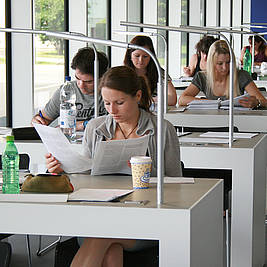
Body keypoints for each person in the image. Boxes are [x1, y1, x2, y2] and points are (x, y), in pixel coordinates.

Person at [46, 66, 182, 267]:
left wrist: (146, 173)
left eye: (119, 103)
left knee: (102, 236)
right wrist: (61, 170)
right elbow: (83, 174)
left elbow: (178, 185)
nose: (112, 110)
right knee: (110, 248)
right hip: (101, 213)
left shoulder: (162, 129)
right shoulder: (95, 128)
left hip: (147, 219)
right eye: (107, 103)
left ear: (137, 96)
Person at [31, 47, 109, 130]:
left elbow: (118, 125)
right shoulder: (67, 91)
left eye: (88, 82)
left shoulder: (111, 92)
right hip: (71, 141)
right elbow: (45, 118)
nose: (81, 85)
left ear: (103, 77)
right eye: (78, 78)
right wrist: (37, 121)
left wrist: (82, 125)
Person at [179, 40, 267, 109]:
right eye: (220, 63)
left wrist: (257, 103)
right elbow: (182, 99)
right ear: (212, 63)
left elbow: (264, 101)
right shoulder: (202, 77)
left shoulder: (241, 75)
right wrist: (209, 102)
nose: (225, 67)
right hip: (209, 123)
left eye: (228, 62)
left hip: (237, 123)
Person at [123, 35, 177, 106]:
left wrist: (144, 100)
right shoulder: (123, 73)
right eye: (137, 56)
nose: (141, 60)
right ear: (130, 55)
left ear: (151, 57)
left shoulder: (159, 72)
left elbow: (172, 99)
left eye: (145, 56)